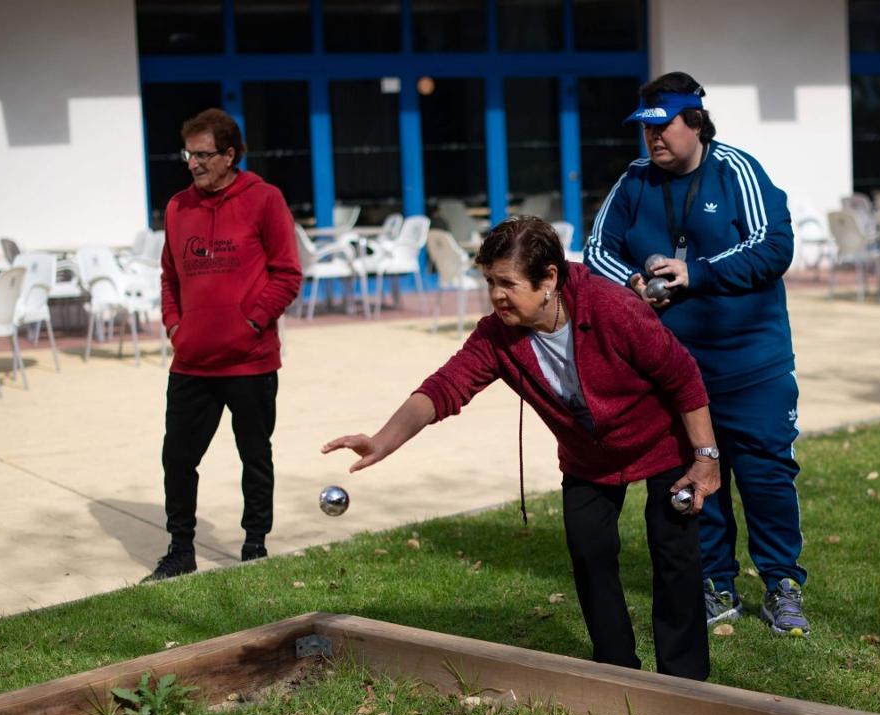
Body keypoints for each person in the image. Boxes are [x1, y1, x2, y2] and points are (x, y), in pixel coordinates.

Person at [322, 217, 721, 680]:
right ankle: (618, 674)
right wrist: (383, 440)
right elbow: (445, 387)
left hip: (660, 444)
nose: (496, 295)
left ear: (548, 278)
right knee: (590, 554)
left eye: (507, 283)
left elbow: (682, 376)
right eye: (490, 281)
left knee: (674, 559)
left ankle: (686, 681)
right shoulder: (499, 335)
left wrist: (705, 459)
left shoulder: (611, 307)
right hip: (588, 458)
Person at [584, 71, 810, 637]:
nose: (653, 139)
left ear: (695, 123)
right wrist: (634, 283)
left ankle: (782, 585)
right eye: (645, 129)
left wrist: (695, 273)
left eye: (663, 127)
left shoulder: (737, 170)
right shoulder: (633, 181)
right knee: (695, 478)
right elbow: (595, 252)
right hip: (675, 372)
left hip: (751, 365)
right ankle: (716, 584)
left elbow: (773, 246)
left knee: (765, 477)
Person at [145, 108, 303, 581]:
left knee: (254, 454)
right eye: (188, 153)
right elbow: (169, 277)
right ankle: (180, 550)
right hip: (192, 361)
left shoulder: (265, 200)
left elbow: (288, 273)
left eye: (203, 154)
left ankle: (254, 544)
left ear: (230, 154)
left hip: (250, 361)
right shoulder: (177, 207)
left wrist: (252, 323)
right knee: (178, 456)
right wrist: (175, 326)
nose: (193, 163)